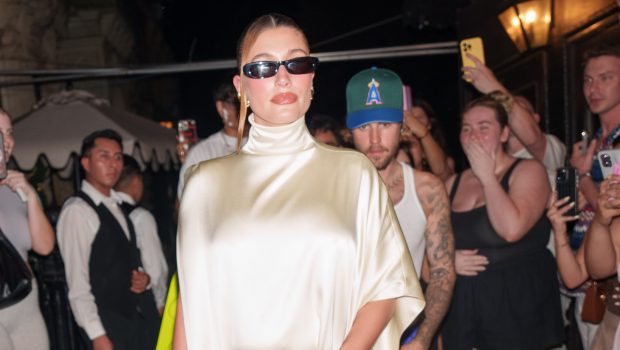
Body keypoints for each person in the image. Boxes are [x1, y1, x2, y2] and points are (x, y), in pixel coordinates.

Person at [173, 13, 425, 349]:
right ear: (241, 87)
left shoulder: (354, 173)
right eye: (263, 67)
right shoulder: (203, 183)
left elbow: (386, 287)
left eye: (296, 64)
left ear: (311, 78)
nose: (282, 78)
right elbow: (191, 310)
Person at [442, 92, 564, 349]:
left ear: (505, 133)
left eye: (484, 127)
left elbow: (511, 230)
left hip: (515, 305)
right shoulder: (452, 183)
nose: (473, 136)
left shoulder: (529, 171)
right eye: (466, 129)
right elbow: (428, 242)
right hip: (464, 306)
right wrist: (446, 258)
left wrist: (487, 178)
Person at [348, 67, 456, 349]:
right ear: (349, 131)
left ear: (402, 126)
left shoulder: (426, 189)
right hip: (346, 331)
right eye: (363, 127)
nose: (374, 140)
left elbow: (443, 271)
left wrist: (422, 338)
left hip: (409, 329)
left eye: (384, 125)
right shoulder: (333, 188)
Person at [57, 129, 160, 350]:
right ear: (86, 163)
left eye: (118, 157)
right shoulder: (78, 211)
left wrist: (145, 279)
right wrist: (97, 334)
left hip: (136, 322)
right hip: (108, 326)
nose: (113, 164)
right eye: (104, 156)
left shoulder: (117, 205)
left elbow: (121, 259)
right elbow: (77, 284)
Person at [462, 53, 567, 187]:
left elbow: (533, 139)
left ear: (535, 118)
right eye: (503, 111)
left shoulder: (551, 146)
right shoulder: (491, 159)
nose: (508, 114)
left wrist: (493, 87)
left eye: (522, 110)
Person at [0, 108, 55, 350]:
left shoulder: (16, 185)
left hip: (25, 302)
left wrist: (31, 195)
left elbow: (44, 247)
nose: (7, 141)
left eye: (9, 132)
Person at [115, 154, 168, 314]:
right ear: (136, 181)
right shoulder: (140, 217)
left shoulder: (105, 213)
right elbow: (155, 267)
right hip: (142, 304)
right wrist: (161, 302)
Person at [177, 81, 246, 195]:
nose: (242, 108)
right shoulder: (201, 154)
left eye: (244, 101)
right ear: (220, 107)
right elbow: (182, 206)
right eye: (234, 103)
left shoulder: (267, 145)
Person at [401, 98, 455, 181]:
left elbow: (442, 173)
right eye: (410, 118)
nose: (414, 122)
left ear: (430, 124)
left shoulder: (443, 158)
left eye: (419, 118)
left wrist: (423, 132)